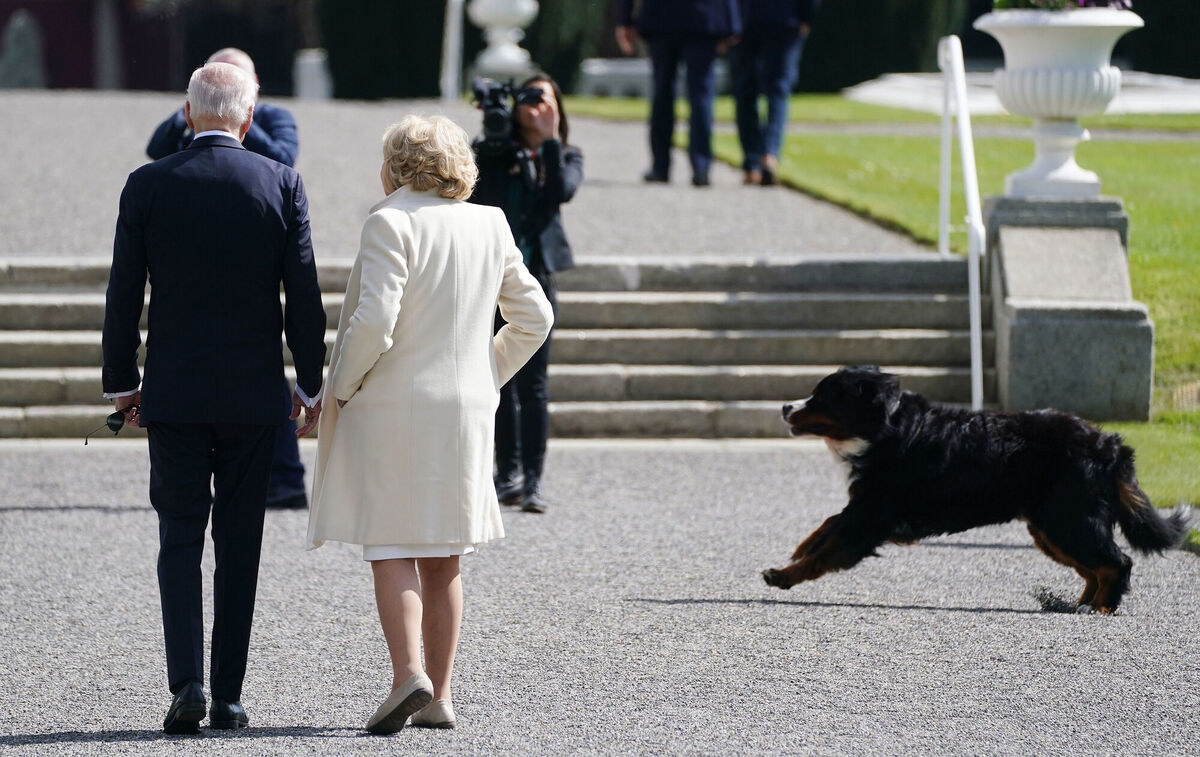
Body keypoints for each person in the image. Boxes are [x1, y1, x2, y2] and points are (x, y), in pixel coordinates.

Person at [306, 115, 553, 734]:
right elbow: (536, 318)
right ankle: (440, 695)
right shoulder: (489, 222)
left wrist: (344, 384)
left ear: (394, 167)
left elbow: (374, 320)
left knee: (390, 544)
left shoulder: (389, 221)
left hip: (392, 404)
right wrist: (485, 373)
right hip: (466, 410)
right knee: (446, 553)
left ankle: (407, 674)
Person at [102, 62, 327, 734]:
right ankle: (228, 693)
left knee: (178, 538)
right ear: (249, 117)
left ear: (188, 114)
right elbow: (305, 302)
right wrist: (309, 384)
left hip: (173, 388)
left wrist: (122, 384)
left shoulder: (147, 184)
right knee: (239, 542)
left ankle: (187, 683)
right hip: (253, 394)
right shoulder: (281, 182)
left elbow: (123, 297)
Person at [145, 47, 308, 510]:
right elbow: (156, 147)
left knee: (266, 389)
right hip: (199, 254)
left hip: (250, 247)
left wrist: (231, 122)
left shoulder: (275, 118)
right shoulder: (192, 115)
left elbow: (284, 157)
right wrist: (200, 117)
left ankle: (287, 478)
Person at [470, 74, 582, 514]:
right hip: (490, 277)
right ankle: (506, 475)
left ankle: (533, 479)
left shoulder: (567, 154)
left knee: (534, 383)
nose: (535, 107)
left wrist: (550, 139)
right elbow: (476, 191)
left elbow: (561, 192)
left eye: (544, 99)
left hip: (536, 276)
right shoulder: (493, 152)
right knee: (497, 376)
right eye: (528, 99)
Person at [616, 0, 741, 186]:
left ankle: (660, 166)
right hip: (703, 17)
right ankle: (701, 167)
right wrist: (731, 22)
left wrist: (625, 19)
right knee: (701, 93)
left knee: (662, 91)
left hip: (662, 17)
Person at [730, 0, 818, 185]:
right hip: (784, 18)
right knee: (778, 91)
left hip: (746, 19)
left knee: (746, 91)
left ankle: (752, 163)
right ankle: (769, 154)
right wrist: (806, 17)